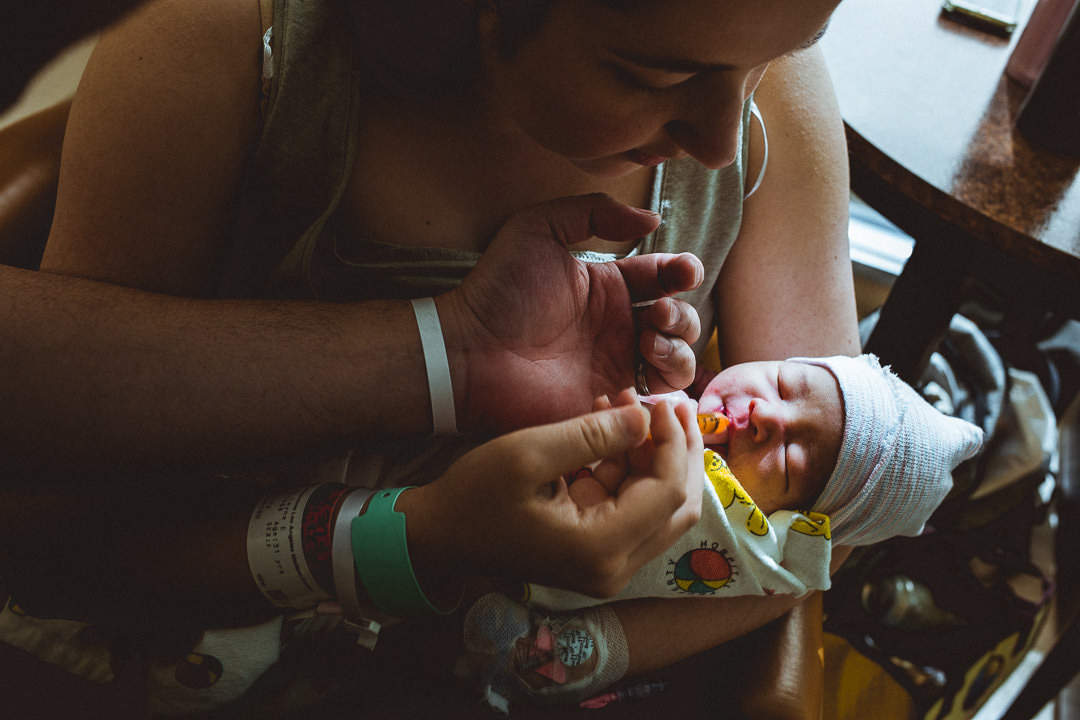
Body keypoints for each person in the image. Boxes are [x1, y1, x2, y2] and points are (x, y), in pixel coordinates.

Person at [2, 0, 862, 714]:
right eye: (650, 75)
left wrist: (585, 646)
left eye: (779, 55)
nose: (722, 141)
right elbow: (47, 532)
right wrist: (413, 544)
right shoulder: (232, 43)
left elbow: (840, 511)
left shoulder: (764, 81)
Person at [458, 354, 984, 708]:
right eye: (783, 383)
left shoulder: (751, 546)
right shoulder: (672, 371)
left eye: (794, 460)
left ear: (797, 525)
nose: (768, 416)